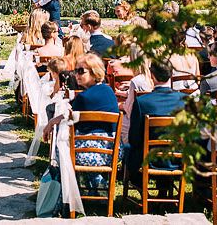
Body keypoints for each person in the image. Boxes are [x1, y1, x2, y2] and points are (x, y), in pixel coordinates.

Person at [44, 53, 119, 191]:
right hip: (112, 151)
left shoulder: (84, 98)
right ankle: (96, 185)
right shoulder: (109, 92)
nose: (76, 75)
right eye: (75, 71)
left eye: (81, 71)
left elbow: (70, 118)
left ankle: (65, 192)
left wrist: (52, 122)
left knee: (62, 147)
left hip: (90, 152)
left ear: (94, 72)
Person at [126, 60, 186, 185]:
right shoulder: (185, 101)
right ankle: (163, 190)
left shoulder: (142, 102)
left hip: (149, 159)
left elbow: (134, 138)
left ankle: (142, 188)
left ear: (152, 75)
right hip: (178, 158)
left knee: (129, 149)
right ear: (171, 75)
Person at [120, 44, 152, 144]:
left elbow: (129, 110)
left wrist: (119, 105)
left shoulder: (136, 81)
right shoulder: (152, 78)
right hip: (149, 123)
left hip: (135, 126)